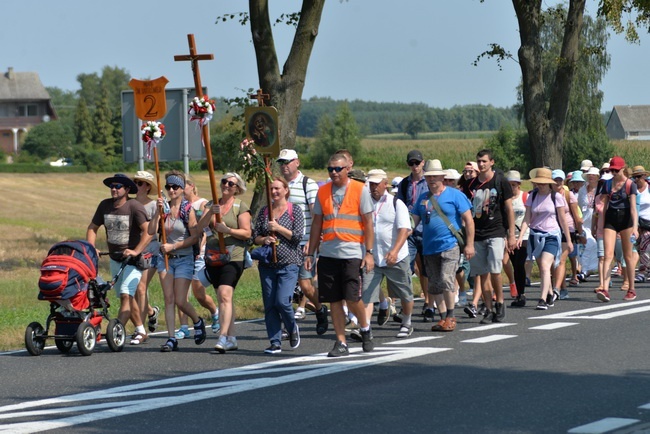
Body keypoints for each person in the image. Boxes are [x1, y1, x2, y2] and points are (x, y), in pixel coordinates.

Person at [304, 153, 375, 357]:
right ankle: (341, 342)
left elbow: (368, 223)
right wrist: (311, 253)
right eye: (330, 169)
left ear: (347, 169)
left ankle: (365, 328)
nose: (333, 173)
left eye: (338, 169)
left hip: (352, 252)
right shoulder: (323, 191)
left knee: (352, 298)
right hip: (328, 253)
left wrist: (369, 253)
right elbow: (317, 223)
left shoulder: (360, 190)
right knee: (334, 300)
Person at [86, 173, 151, 344]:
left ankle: (116, 332)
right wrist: (92, 248)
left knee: (125, 295)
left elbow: (149, 231)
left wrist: (136, 251)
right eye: (112, 186)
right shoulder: (104, 205)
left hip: (133, 261)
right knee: (127, 297)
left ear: (127, 189)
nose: (114, 189)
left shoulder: (134, 206)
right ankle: (141, 330)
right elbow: (92, 228)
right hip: (115, 259)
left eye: (118, 186)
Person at [411, 160, 474, 332]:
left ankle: (451, 316)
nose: (432, 180)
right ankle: (443, 317)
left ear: (442, 177)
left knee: (447, 279)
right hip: (429, 247)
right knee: (434, 284)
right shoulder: (422, 199)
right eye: (429, 177)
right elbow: (413, 222)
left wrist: (469, 244)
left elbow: (468, 220)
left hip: (450, 244)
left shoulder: (455, 195)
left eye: (435, 177)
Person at [149, 171, 206, 352]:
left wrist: (173, 247)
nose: (171, 190)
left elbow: (195, 237)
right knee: (169, 299)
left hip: (184, 259)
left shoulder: (188, 209)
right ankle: (171, 338)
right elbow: (151, 230)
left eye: (175, 187)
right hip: (165, 259)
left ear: (182, 189)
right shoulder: (163, 208)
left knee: (181, 301)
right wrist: (158, 214)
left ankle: (197, 321)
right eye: (168, 187)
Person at [196, 172, 252, 353]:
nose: (226, 185)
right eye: (224, 182)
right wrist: (210, 213)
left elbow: (247, 233)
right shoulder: (212, 204)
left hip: (233, 256)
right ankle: (232, 338)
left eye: (231, 183)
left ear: (237, 188)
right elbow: (199, 228)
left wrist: (227, 229)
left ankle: (222, 337)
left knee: (224, 294)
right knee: (224, 298)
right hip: (214, 257)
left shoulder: (240, 206)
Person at [276, 149, 329, 333]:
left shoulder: (308, 184)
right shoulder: (279, 186)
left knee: (306, 285)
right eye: (281, 163)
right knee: (284, 286)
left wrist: (311, 241)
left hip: (303, 243)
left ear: (297, 162)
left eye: (287, 162)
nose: (284, 166)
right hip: (283, 244)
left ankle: (320, 309)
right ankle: (285, 325)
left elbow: (316, 215)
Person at [357, 169, 415, 338]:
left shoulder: (396, 203)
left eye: (377, 184)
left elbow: (404, 229)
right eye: (371, 184)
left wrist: (395, 251)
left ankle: (407, 322)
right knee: (367, 294)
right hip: (372, 257)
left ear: (385, 184)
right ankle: (365, 329)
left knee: (405, 292)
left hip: (395, 257)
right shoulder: (364, 203)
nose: (374, 187)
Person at [462, 149, 515, 324]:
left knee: (495, 270)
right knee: (482, 274)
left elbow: (508, 209)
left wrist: (511, 235)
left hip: (496, 231)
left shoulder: (500, 182)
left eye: (484, 161)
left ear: (492, 162)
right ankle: (489, 309)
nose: (481, 164)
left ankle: (499, 302)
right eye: (479, 161)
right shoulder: (471, 185)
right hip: (477, 233)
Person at [253, 177, 304, 353]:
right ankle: (275, 342)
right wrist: (265, 239)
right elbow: (255, 236)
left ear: (285, 190)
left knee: (282, 302)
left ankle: (291, 328)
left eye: (277, 189)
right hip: (268, 265)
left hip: (289, 263)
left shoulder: (294, 210)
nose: (274, 192)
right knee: (270, 305)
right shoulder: (264, 211)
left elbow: (297, 237)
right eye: (271, 189)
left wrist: (278, 228)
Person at [517, 168, 573, 310]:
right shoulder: (532, 196)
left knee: (545, 266)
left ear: (549, 183)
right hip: (535, 235)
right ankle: (548, 293)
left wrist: (569, 239)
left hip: (551, 235)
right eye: (538, 183)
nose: (540, 185)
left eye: (543, 183)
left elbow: (563, 219)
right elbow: (527, 217)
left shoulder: (556, 197)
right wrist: (521, 235)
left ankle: (542, 299)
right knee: (543, 266)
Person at [174, 174, 221, 338]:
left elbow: (206, 228)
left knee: (199, 294)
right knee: (181, 294)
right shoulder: (177, 205)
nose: (178, 188)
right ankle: (184, 326)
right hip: (184, 253)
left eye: (182, 185)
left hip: (200, 252)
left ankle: (215, 312)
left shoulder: (202, 203)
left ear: (191, 186)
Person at [595, 156, 638, 302]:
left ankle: (631, 289)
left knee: (627, 256)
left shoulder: (630, 184)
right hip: (611, 219)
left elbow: (633, 208)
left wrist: (635, 228)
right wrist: (601, 226)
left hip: (626, 220)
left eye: (616, 170)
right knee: (607, 255)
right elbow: (604, 207)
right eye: (611, 170)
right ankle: (605, 289)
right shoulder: (607, 184)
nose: (613, 172)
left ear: (623, 169)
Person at [396, 150, 431, 320]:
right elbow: (399, 205)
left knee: (426, 269)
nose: (415, 166)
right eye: (412, 163)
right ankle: (406, 304)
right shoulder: (404, 184)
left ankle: (428, 301)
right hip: (409, 231)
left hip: (426, 230)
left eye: (417, 163)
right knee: (405, 268)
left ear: (423, 163)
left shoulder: (429, 181)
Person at [132, 170, 161, 339]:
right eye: (135, 182)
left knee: (141, 288)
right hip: (133, 250)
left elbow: (153, 231)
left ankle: (140, 330)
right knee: (134, 288)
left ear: (148, 187)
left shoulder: (153, 205)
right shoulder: (130, 204)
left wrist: (158, 211)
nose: (137, 185)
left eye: (140, 183)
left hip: (151, 250)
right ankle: (151, 311)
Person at [551, 169, 582, 301]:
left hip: (567, 230)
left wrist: (580, 233)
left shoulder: (569, 195)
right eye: (555, 180)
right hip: (551, 230)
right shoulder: (546, 195)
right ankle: (560, 287)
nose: (557, 182)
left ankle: (557, 289)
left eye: (560, 180)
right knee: (553, 261)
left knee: (561, 260)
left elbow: (577, 216)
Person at [504, 170, 529, 307]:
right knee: (515, 265)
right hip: (509, 236)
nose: (512, 187)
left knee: (520, 263)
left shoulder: (525, 197)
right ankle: (519, 293)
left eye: (514, 184)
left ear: (519, 185)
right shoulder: (504, 201)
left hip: (524, 235)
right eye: (509, 185)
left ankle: (522, 294)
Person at [577, 166, 601, 280]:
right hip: (585, 220)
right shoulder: (582, 189)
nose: (591, 176)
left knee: (598, 246)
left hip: (598, 219)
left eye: (593, 175)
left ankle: (600, 272)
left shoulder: (601, 189)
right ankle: (584, 269)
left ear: (597, 177)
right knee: (587, 244)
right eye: (589, 175)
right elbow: (579, 205)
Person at [632, 166, 650, 282]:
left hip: (648, 222)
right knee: (636, 248)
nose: (637, 179)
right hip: (634, 223)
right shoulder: (632, 189)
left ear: (644, 176)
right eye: (634, 177)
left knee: (645, 245)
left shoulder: (649, 188)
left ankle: (642, 271)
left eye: (639, 177)